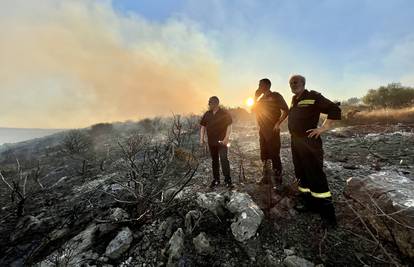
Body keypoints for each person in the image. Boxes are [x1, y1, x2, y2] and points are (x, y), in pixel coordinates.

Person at [288, 74, 341, 228]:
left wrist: (322, 128)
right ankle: (309, 204)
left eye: (296, 82)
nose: (293, 84)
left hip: (310, 142)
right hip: (295, 142)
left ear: (303, 83)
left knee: (315, 175)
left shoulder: (313, 96)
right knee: (301, 173)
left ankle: (328, 216)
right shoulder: (294, 100)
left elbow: (334, 108)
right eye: (291, 82)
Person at [253, 78, 289, 186]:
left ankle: (278, 181)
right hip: (262, 131)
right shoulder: (260, 99)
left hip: (272, 130)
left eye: (261, 85)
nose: (259, 87)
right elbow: (253, 109)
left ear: (267, 85)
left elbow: (286, 110)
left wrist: (278, 123)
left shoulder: (276, 96)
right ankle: (266, 178)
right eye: (258, 85)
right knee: (264, 154)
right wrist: (255, 96)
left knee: (274, 154)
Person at [200, 96, 233, 188]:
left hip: (222, 141)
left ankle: (228, 180)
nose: (208, 104)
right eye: (209, 102)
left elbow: (229, 125)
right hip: (211, 142)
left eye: (210, 102)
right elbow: (203, 126)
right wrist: (201, 138)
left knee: (223, 159)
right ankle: (216, 180)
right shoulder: (207, 114)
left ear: (216, 103)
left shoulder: (224, 113)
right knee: (214, 160)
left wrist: (226, 138)